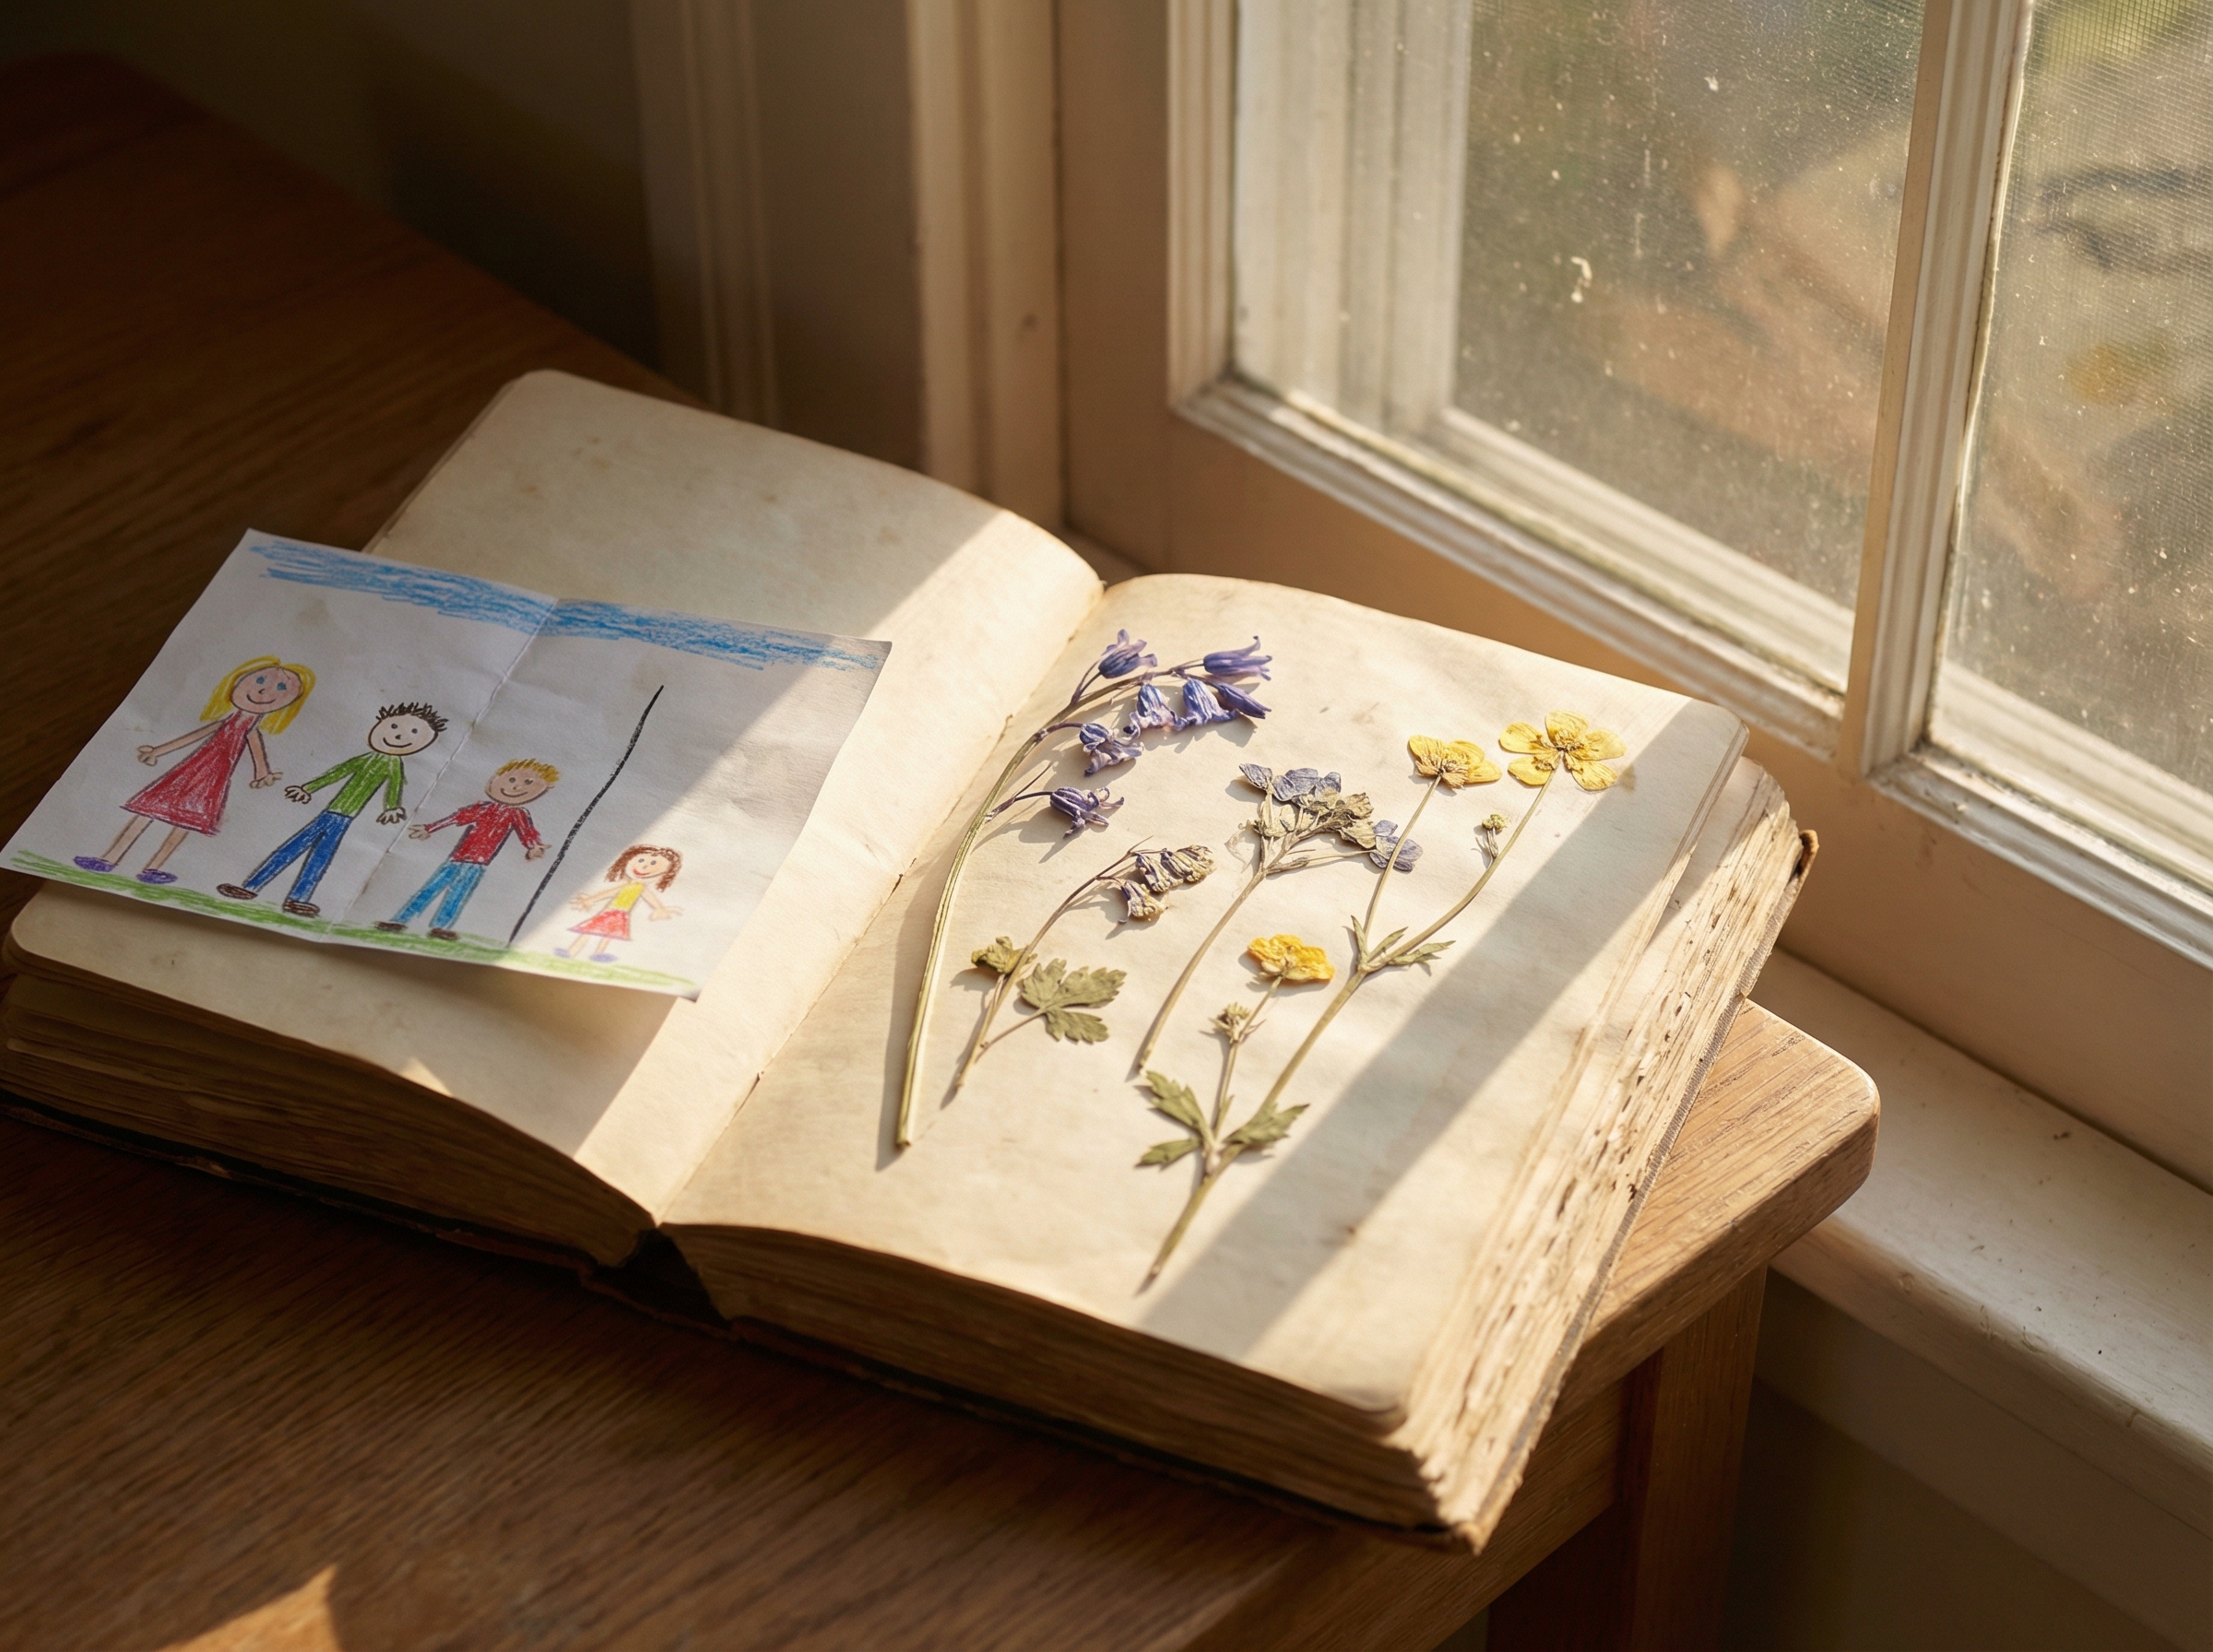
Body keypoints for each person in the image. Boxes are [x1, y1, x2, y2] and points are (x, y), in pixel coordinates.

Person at [77, 655, 314, 884]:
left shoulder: (250, 730)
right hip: (188, 771)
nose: (264, 691)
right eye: (259, 681)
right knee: (150, 809)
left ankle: (153, 868)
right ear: (237, 682)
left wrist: (263, 773)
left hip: (213, 779)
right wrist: (158, 751)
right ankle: (109, 859)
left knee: (185, 821)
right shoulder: (226, 722)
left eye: (281, 687)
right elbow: (194, 736)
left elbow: (256, 752)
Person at [218, 702, 445, 917]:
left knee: (319, 858)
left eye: (413, 733)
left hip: (344, 818)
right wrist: (307, 788)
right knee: (293, 848)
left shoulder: (394, 764)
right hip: (330, 813)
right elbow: (336, 773)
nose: (398, 735)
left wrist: (392, 807)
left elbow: (394, 786)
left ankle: (297, 898)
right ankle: (252, 886)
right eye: (394, 726)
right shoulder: (365, 758)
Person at [375, 760, 556, 941]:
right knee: (430, 888)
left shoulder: (518, 813)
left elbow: (526, 831)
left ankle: (441, 927)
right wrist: (430, 828)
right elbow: (456, 817)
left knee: (457, 895)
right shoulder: (483, 807)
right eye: (511, 780)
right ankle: (399, 920)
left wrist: (533, 846)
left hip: (478, 863)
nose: (516, 787)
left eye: (527, 783)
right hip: (456, 858)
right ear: (496, 779)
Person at [559, 844, 683, 962]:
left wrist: (660, 908)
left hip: (620, 914)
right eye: (640, 861)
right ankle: (571, 951)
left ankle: (598, 954)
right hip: (609, 912)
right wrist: (590, 900)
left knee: (607, 934)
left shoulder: (641, 887)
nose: (645, 867)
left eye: (653, 863)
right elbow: (609, 893)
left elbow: (650, 899)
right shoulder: (628, 884)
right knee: (590, 930)